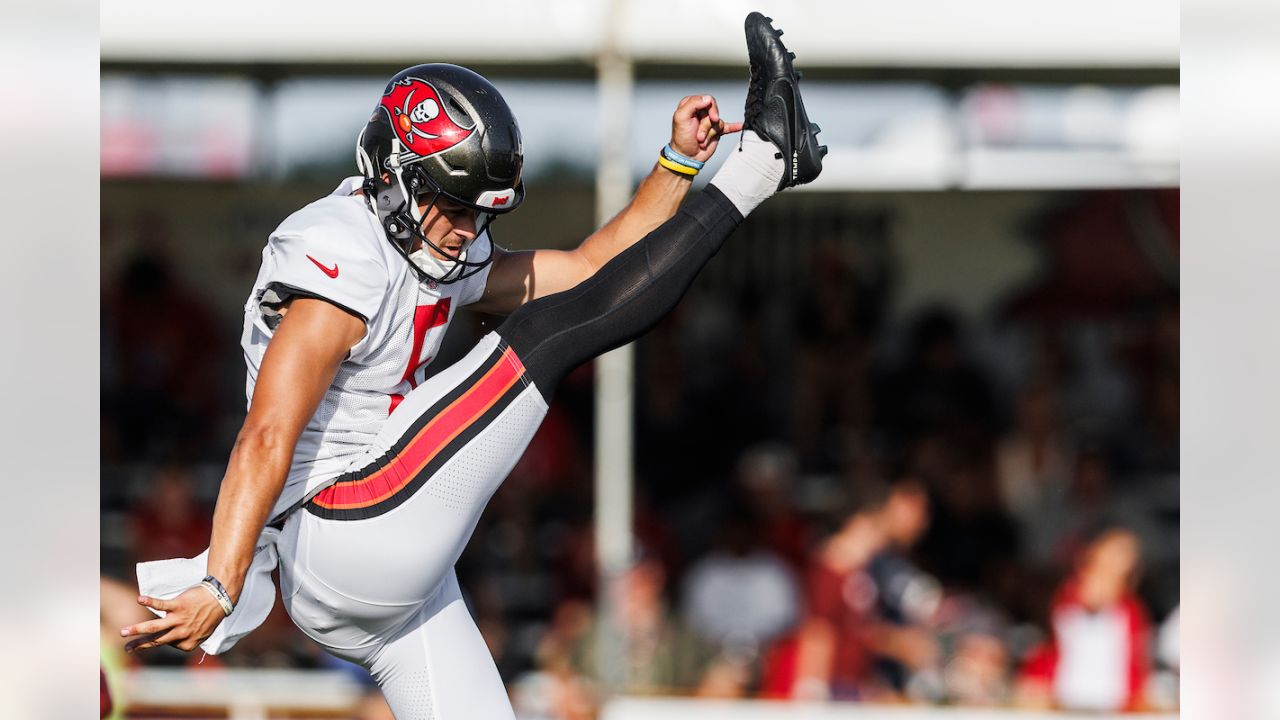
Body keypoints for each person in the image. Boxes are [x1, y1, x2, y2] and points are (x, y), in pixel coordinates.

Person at [122, 12, 825, 720]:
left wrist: (677, 164)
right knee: (542, 338)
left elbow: (587, 268)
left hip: (393, 572)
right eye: (453, 205)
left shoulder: (430, 246)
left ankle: (760, 161)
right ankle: (766, 160)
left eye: (478, 211)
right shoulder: (344, 253)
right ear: (395, 175)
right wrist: (220, 580)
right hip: (340, 523)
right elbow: (268, 433)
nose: (466, 228)